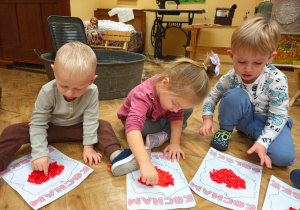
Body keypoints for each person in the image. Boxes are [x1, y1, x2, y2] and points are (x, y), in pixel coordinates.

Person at [0, 41, 135, 177]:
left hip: (77, 129)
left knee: (103, 125)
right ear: (54, 72)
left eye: (78, 88)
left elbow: (90, 119)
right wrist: (39, 153)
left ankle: (116, 157)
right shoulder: (47, 91)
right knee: (12, 131)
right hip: (50, 129)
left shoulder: (92, 91)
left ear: (91, 81)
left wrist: (88, 148)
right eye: (63, 86)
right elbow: (38, 123)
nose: (69, 93)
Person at [199, 15, 295, 169]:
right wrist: (207, 118)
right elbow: (213, 95)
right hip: (245, 119)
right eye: (241, 61)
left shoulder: (278, 80)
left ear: (270, 58)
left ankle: (257, 136)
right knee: (234, 96)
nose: (248, 69)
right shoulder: (231, 76)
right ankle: (226, 130)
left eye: (258, 63)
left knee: (284, 158)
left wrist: (264, 142)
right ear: (231, 55)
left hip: (269, 121)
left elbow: (278, 116)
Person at [117, 54, 219, 185]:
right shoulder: (142, 95)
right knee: (143, 129)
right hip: (137, 121)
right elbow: (133, 127)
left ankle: (165, 134)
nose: (177, 109)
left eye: (179, 106)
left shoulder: (171, 95)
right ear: (165, 83)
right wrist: (145, 163)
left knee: (186, 111)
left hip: (159, 116)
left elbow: (177, 115)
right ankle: (165, 132)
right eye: (175, 103)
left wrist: (175, 143)